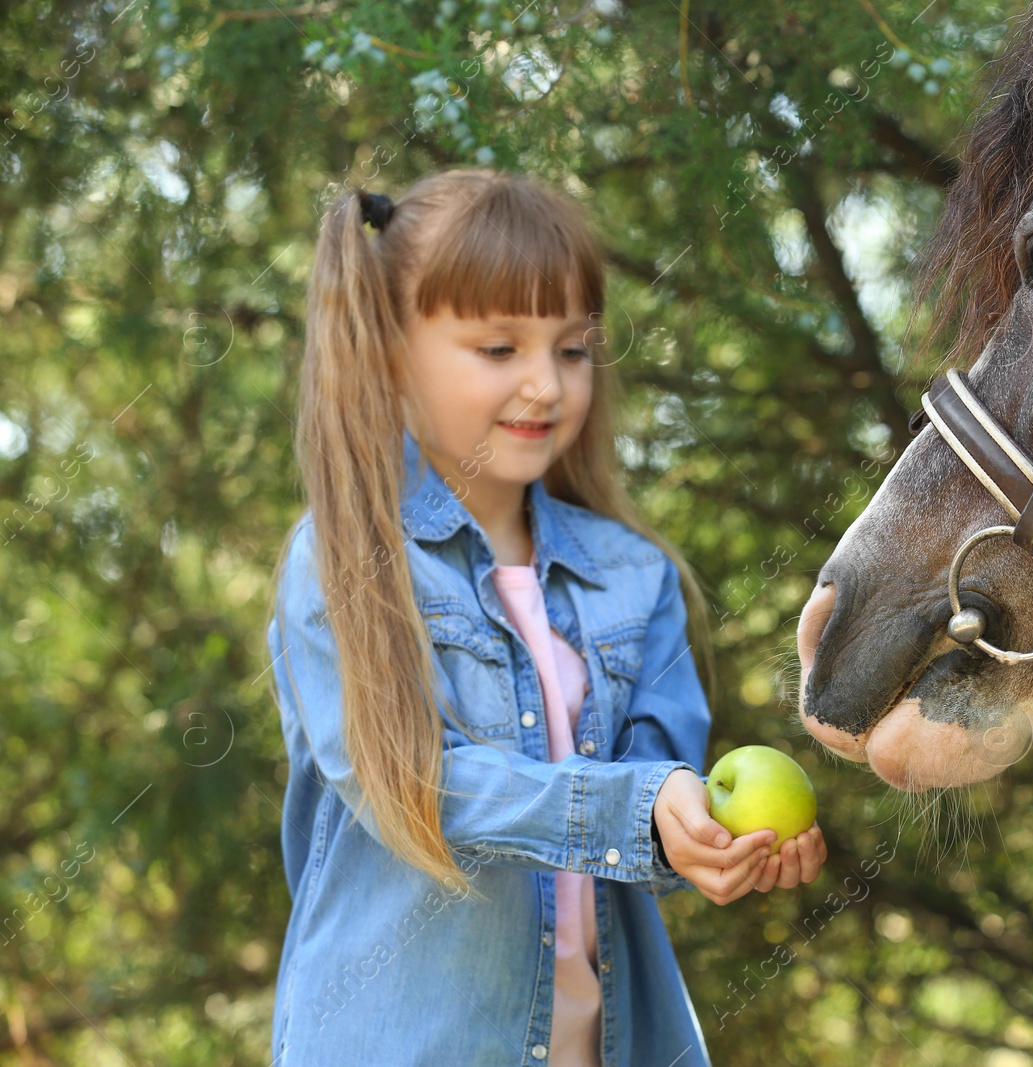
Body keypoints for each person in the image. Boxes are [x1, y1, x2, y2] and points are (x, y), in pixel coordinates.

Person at [264, 168, 827, 1067]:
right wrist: (633, 808)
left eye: (571, 349)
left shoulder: (635, 577)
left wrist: (710, 842)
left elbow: (656, 807)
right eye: (499, 349)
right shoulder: (343, 563)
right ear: (390, 351)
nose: (547, 384)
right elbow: (413, 786)